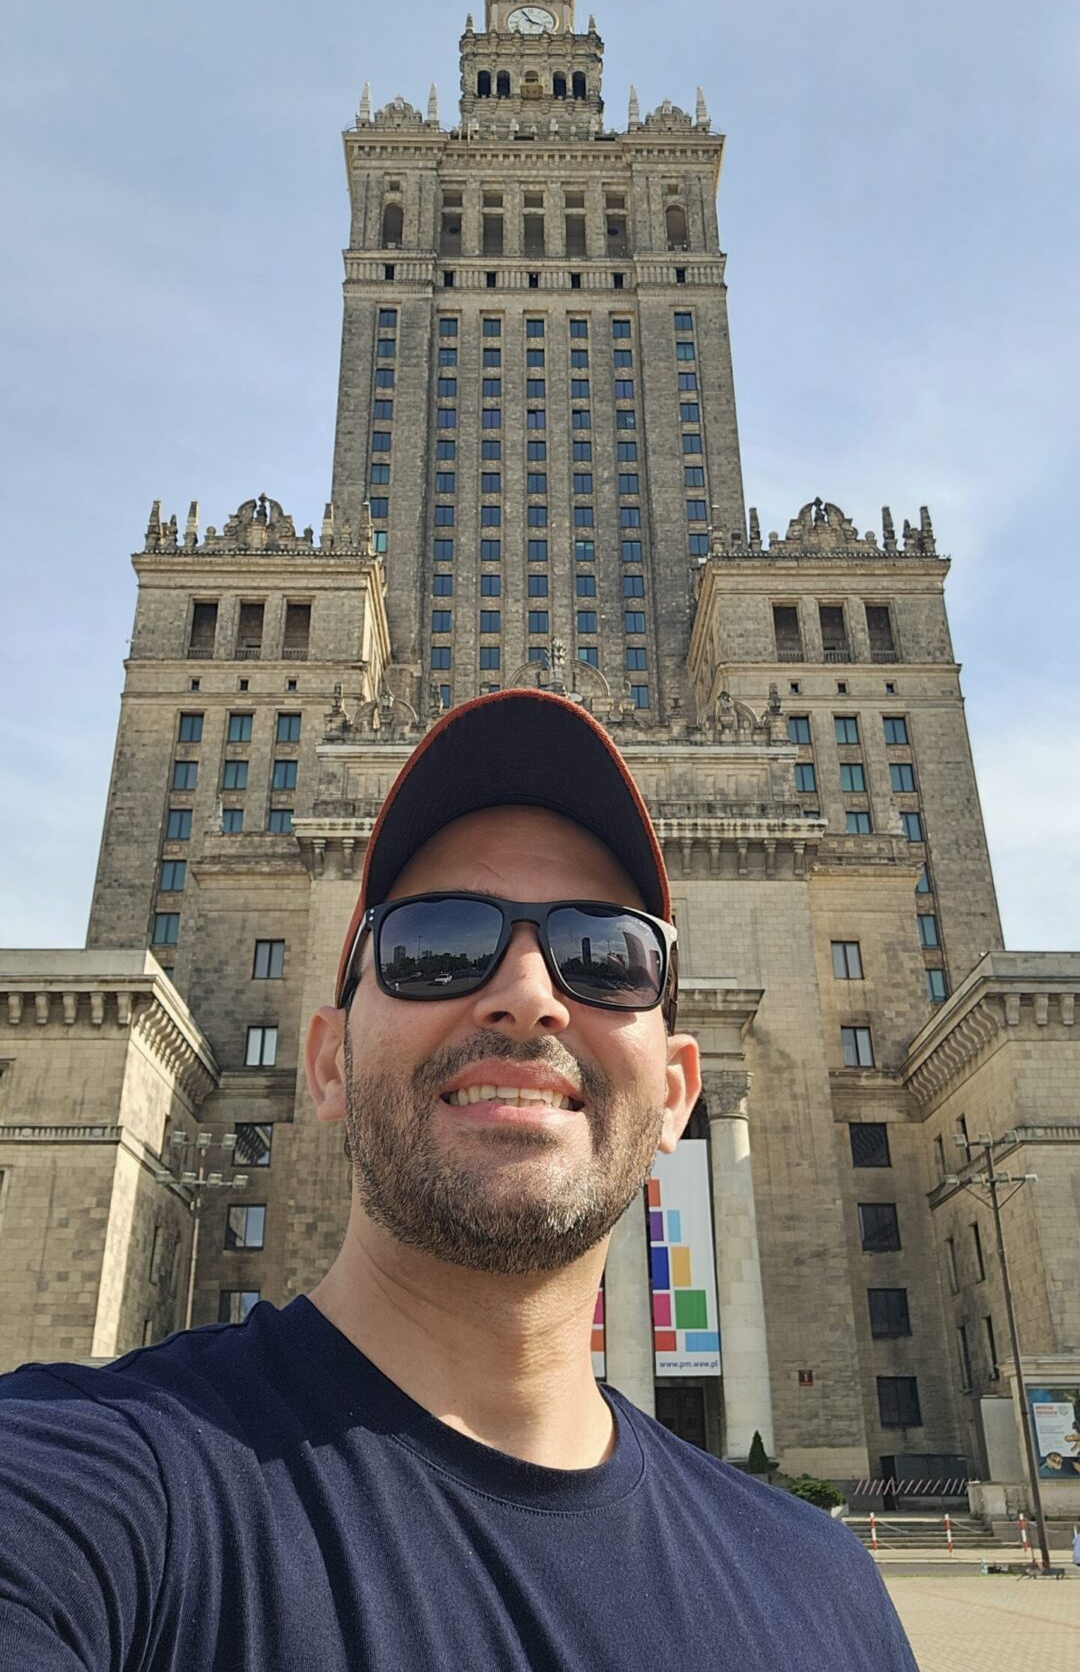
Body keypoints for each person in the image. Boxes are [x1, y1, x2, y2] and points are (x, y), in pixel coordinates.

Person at [0, 692, 917, 1669]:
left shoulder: (827, 1592)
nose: (527, 994)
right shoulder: (85, 1480)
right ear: (328, 1063)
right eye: (433, 945)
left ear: (679, 1091)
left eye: (606, 955)